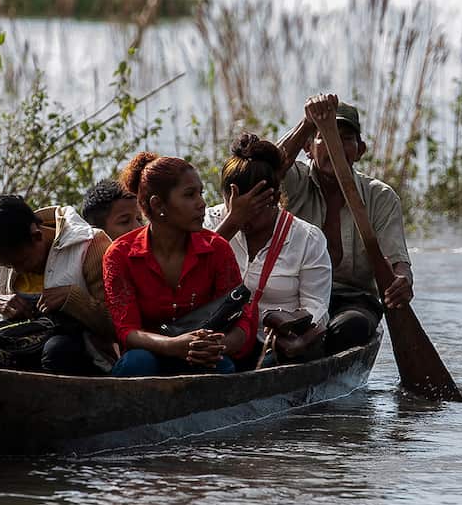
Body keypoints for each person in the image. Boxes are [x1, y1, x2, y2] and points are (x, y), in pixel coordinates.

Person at [275, 95, 413, 353]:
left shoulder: (380, 197)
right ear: (308, 148)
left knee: (352, 327)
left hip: (353, 301)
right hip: (294, 299)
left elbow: (398, 262)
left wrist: (403, 281)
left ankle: (312, 343)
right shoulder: (295, 182)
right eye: (325, 138)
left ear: (359, 151)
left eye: (345, 139)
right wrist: (307, 123)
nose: (335, 147)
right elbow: (268, 169)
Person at [101, 152, 257, 375]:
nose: (202, 204)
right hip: (149, 356)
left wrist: (218, 345)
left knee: (222, 369)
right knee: (138, 363)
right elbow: (127, 331)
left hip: (201, 355)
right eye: (190, 195)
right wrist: (174, 346)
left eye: (200, 193)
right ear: (157, 205)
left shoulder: (217, 248)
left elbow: (241, 315)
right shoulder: (120, 255)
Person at [204, 134, 332, 364]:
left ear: (272, 200)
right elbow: (188, 269)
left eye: (252, 209)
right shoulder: (210, 223)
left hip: (272, 345)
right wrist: (231, 222)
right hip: (215, 339)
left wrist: (296, 336)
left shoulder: (306, 238)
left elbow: (317, 307)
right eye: (232, 207)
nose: (243, 219)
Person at [0, 195, 116, 373]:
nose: (16, 270)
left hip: (85, 361)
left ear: (37, 236)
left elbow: (116, 325)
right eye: (7, 265)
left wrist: (73, 299)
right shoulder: (3, 259)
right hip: (17, 356)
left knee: (58, 350)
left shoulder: (89, 246)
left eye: (22, 261)